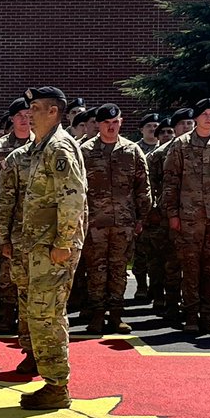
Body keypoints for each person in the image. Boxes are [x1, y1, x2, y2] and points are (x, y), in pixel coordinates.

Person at [15, 86, 87, 410]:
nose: (29, 113)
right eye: (29, 108)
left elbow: (72, 198)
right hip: (42, 246)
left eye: (37, 108)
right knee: (43, 313)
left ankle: (57, 386)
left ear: (54, 112)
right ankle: (54, 381)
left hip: (53, 249)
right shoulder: (42, 147)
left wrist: (63, 243)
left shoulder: (58, 147)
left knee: (46, 314)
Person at [162, 97, 210, 335]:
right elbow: (170, 181)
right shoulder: (181, 145)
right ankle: (191, 315)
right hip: (189, 217)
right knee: (191, 266)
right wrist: (172, 214)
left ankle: (208, 315)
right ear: (196, 117)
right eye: (205, 113)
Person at [80, 103, 151, 335]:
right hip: (94, 223)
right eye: (106, 123)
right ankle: (97, 315)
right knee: (96, 270)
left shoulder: (131, 151)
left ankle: (117, 315)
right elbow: (77, 188)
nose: (111, 127)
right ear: (98, 125)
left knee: (119, 269)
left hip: (124, 222)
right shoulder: (85, 151)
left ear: (121, 122)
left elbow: (143, 186)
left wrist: (142, 216)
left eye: (115, 123)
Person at [0, 97, 33, 333]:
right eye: (20, 115)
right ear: (12, 119)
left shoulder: (41, 146)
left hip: (32, 221)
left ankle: (26, 317)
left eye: (29, 115)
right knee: (3, 269)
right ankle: (6, 313)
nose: (25, 119)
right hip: (3, 220)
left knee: (29, 271)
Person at [145, 108, 194, 324]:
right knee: (167, 262)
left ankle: (191, 305)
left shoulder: (200, 151)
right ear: (174, 128)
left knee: (191, 264)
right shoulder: (158, 155)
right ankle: (168, 302)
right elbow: (151, 186)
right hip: (165, 217)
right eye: (182, 123)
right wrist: (155, 211)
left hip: (195, 217)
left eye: (190, 123)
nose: (187, 127)